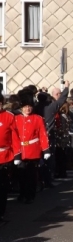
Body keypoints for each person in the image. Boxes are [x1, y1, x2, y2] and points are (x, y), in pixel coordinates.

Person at [15, 89, 50, 204]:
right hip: (19, 150)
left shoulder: (37, 119)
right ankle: (22, 193)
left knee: (31, 175)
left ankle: (30, 194)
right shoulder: (16, 119)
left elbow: (42, 135)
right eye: (25, 107)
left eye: (29, 106)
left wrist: (46, 150)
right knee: (21, 175)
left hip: (33, 150)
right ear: (21, 108)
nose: (28, 109)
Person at [0, 93, 21, 222]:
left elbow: (15, 137)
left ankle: (1, 212)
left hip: (4, 157)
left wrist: (17, 155)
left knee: (2, 186)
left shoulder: (9, 117)